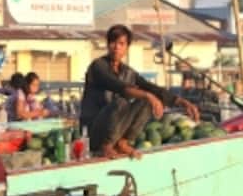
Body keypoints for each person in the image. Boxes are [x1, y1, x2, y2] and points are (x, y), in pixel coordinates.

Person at [80, 24, 200, 159]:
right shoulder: (98, 66)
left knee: (145, 102)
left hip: (114, 130)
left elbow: (150, 87)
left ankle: (123, 142)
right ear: (108, 45)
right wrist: (148, 96)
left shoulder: (127, 71)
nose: (116, 47)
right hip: (93, 131)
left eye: (121, 44)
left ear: (127, 47)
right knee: (121, 102)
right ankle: (106, 145)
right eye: (113, 43)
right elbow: (119, 87)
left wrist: (180, 101)